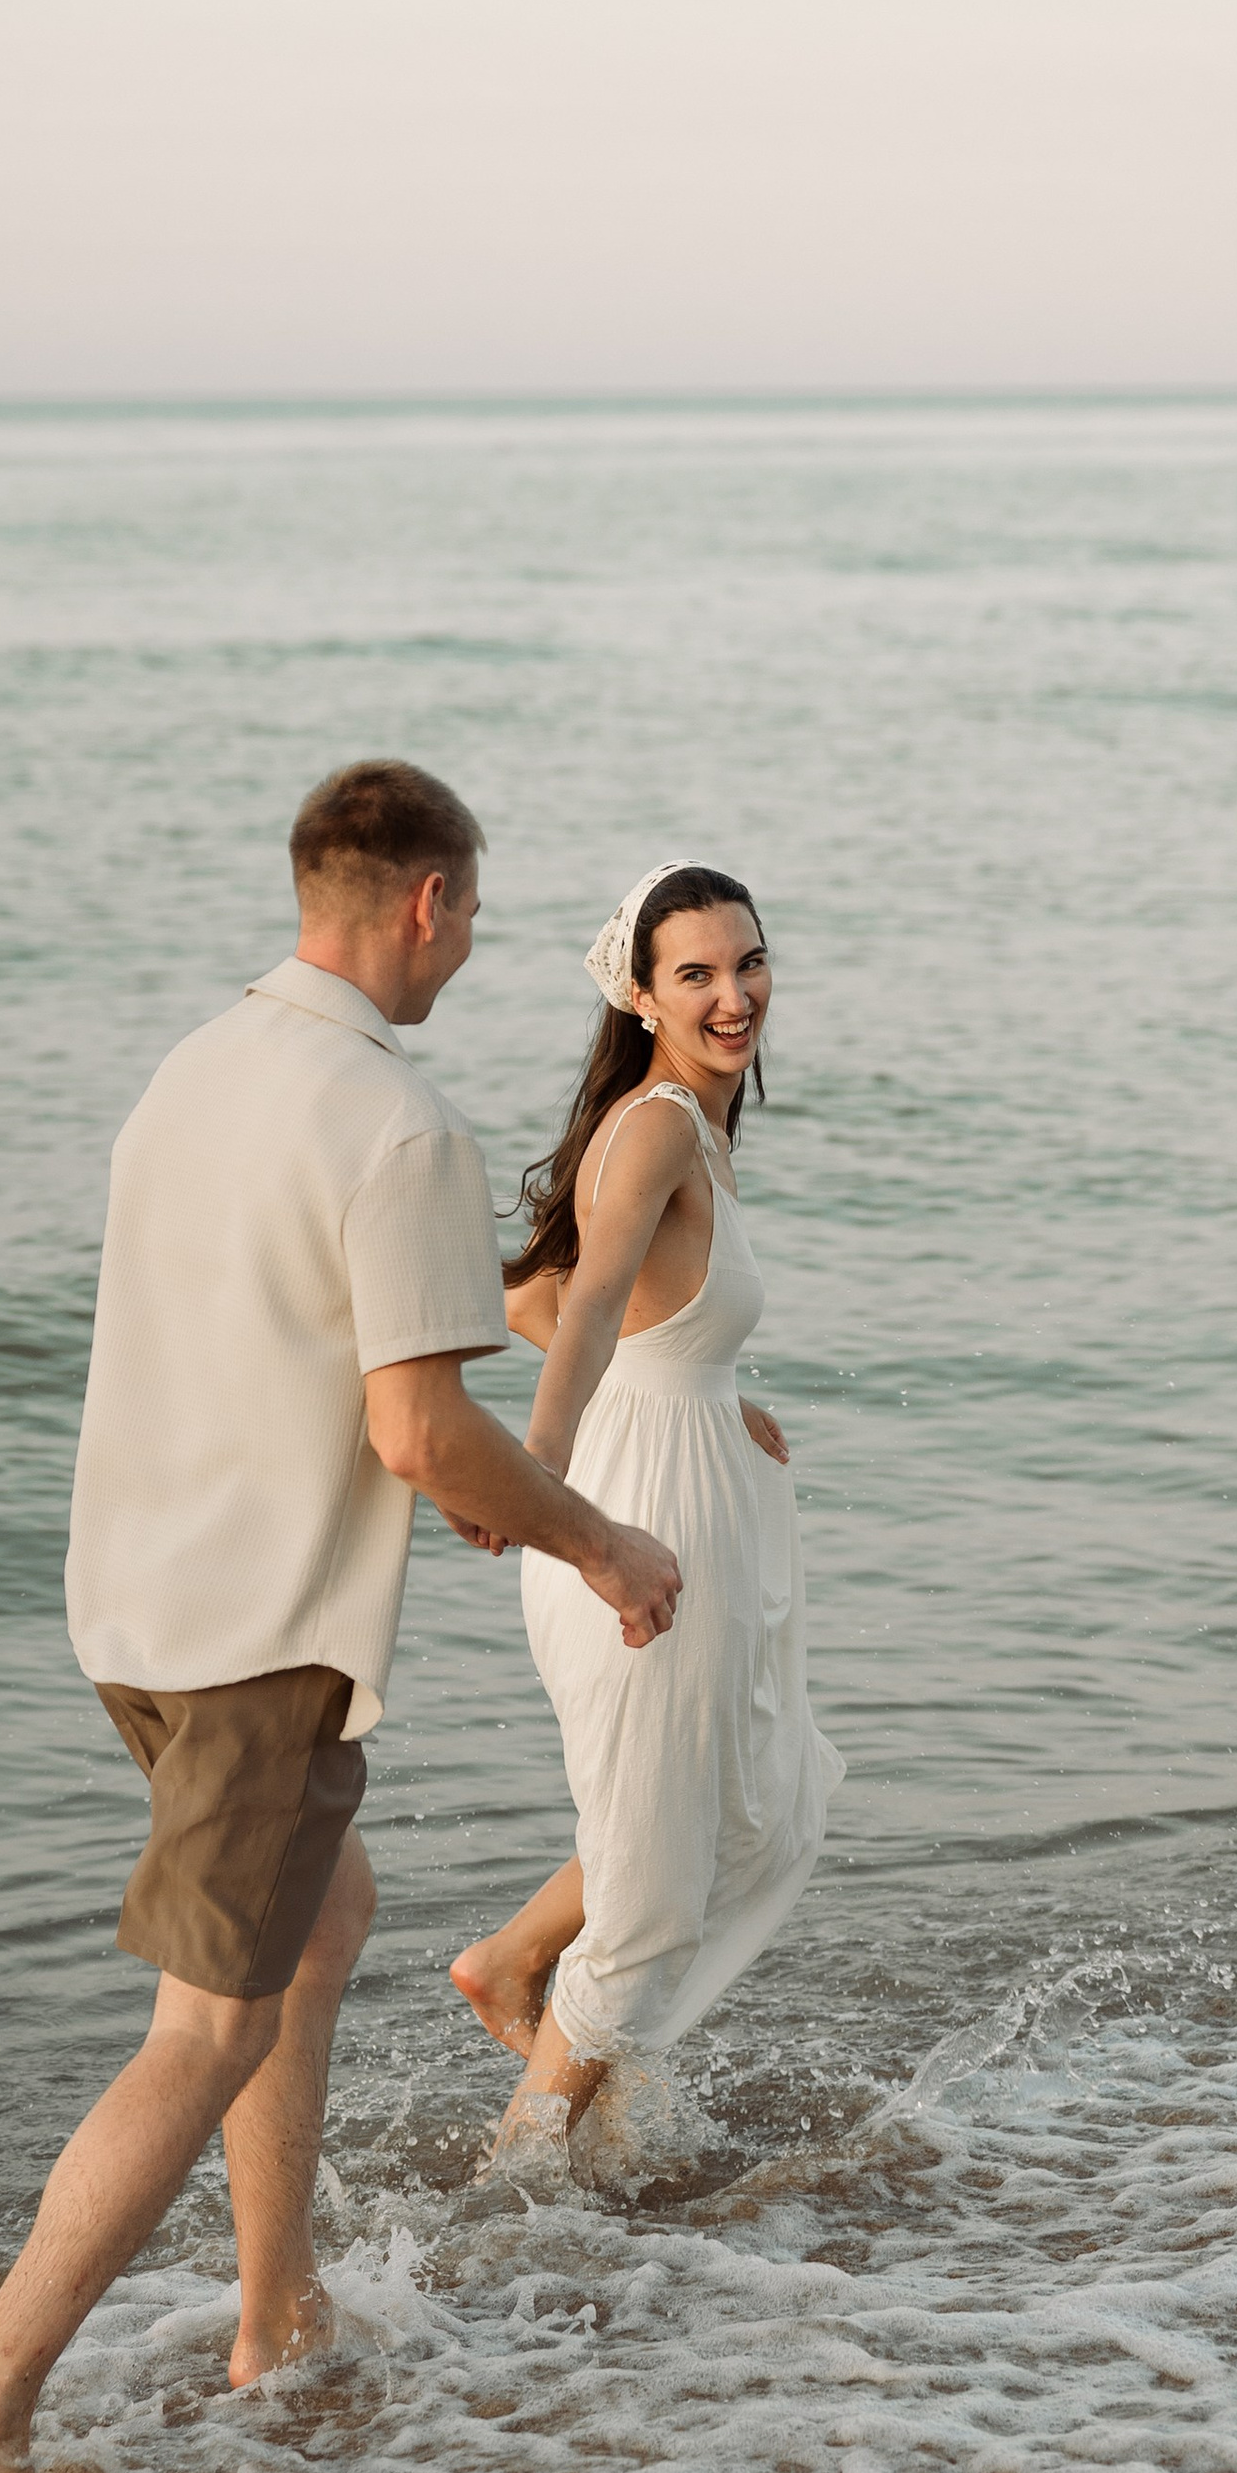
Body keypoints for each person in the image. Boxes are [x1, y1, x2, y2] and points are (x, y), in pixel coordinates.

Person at [0, 763, 682, 2473]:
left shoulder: (194, 1072)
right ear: (422, 901)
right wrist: (597, 1538)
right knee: (207, 2030)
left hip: (132, 1604)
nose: (470, 951)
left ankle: (277, 2312)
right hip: (262, 1637)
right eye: (471, 917)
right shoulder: (395, 1126)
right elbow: (423, 1434)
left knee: (323, 1918)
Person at [450, 860, 842, 2164]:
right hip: (635, 1514)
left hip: (696, 1484)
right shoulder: (663, 1121)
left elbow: (530, 1297)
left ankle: (509, 1964)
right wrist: (544, 1477)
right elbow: (597, 1294)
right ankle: (519, 2200)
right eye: (697, 974)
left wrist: (722, 1398)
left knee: (738, 1808)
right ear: (640, 991)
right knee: (659, 1879)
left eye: (749, 962)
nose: (734, 995)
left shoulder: (682, 1123)